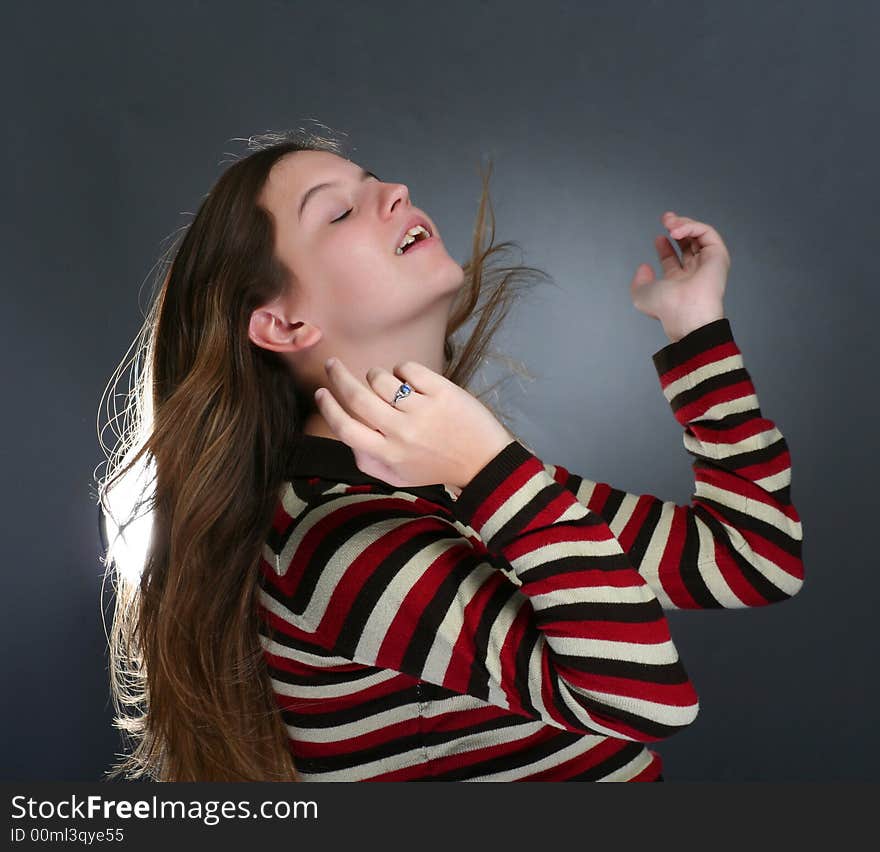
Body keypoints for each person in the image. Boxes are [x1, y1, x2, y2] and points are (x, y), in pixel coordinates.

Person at [96, 126, 804, 783]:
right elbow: (650, 701)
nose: (394, 191)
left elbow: (751, 557)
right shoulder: (339, 541)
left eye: (374, 179)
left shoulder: (458, 485)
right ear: (283, 324)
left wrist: (695, 325)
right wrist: (492, 469)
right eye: (337, 213)